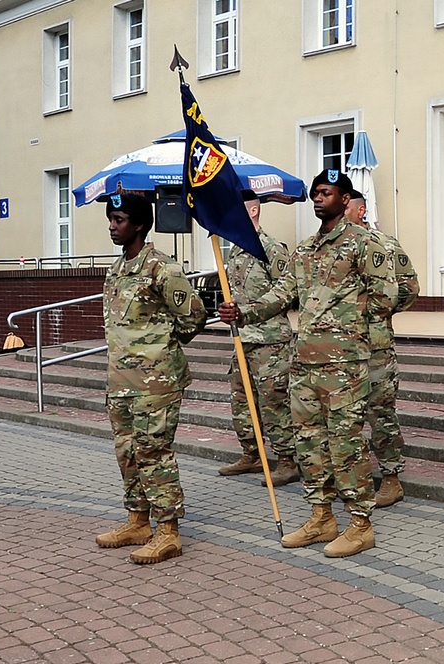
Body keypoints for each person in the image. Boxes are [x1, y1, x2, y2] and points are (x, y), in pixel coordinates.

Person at [219, 170, 396, 558]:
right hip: (304, 363)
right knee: (310, 444)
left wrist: (350, 326)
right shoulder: (305, 250)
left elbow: (388, 296)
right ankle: (321, 516)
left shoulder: (364, 244)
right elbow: (283, 293)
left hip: (344, 365)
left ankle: (360, 524)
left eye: (326, 193)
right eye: (315, 193)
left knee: (346, 444)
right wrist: (243, 312)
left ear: (345, 199)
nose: (318, 198)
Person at [95, 191, 207, 564]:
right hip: (121, 380)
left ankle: (168, 531)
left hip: (156, 381)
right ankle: (138, 520)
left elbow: (193, 316)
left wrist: (160, 347)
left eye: (120, 219)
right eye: (111, 219)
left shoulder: (161, 267)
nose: (113, 225)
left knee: (153, 453)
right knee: (127, 453)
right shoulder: (117, 269)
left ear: (139, 224)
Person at [217, 190, 299, 487]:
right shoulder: (235, 249)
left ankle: (287, 461)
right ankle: (251, 453)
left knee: (273, 403)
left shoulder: (272, 249)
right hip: (242, 337)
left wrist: (248, 311)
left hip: (270, 341)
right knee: (241, 400)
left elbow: (287, 293)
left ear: (252, 212)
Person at [346, 189, 420, 507]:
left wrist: (379, 311)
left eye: (344, 204)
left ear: (361, 211)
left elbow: (410, 286)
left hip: (375, 348)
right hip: (340, 350)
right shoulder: (330, 247)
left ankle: (391, 478)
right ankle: (352, 480)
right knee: (343, 419)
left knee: (381, 414)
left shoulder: (385, 245)